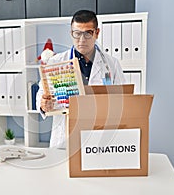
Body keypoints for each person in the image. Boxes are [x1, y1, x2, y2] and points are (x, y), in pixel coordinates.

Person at [36, 10, 125, 149]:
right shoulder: (56, 62)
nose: (82, 40)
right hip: (65, 139)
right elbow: (42, 93)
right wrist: (43, 104)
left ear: (97, 33)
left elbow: (122, 99)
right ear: (71, 33)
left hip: (98, 138)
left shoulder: (111, 64)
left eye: (88, 33)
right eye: (77, 33)